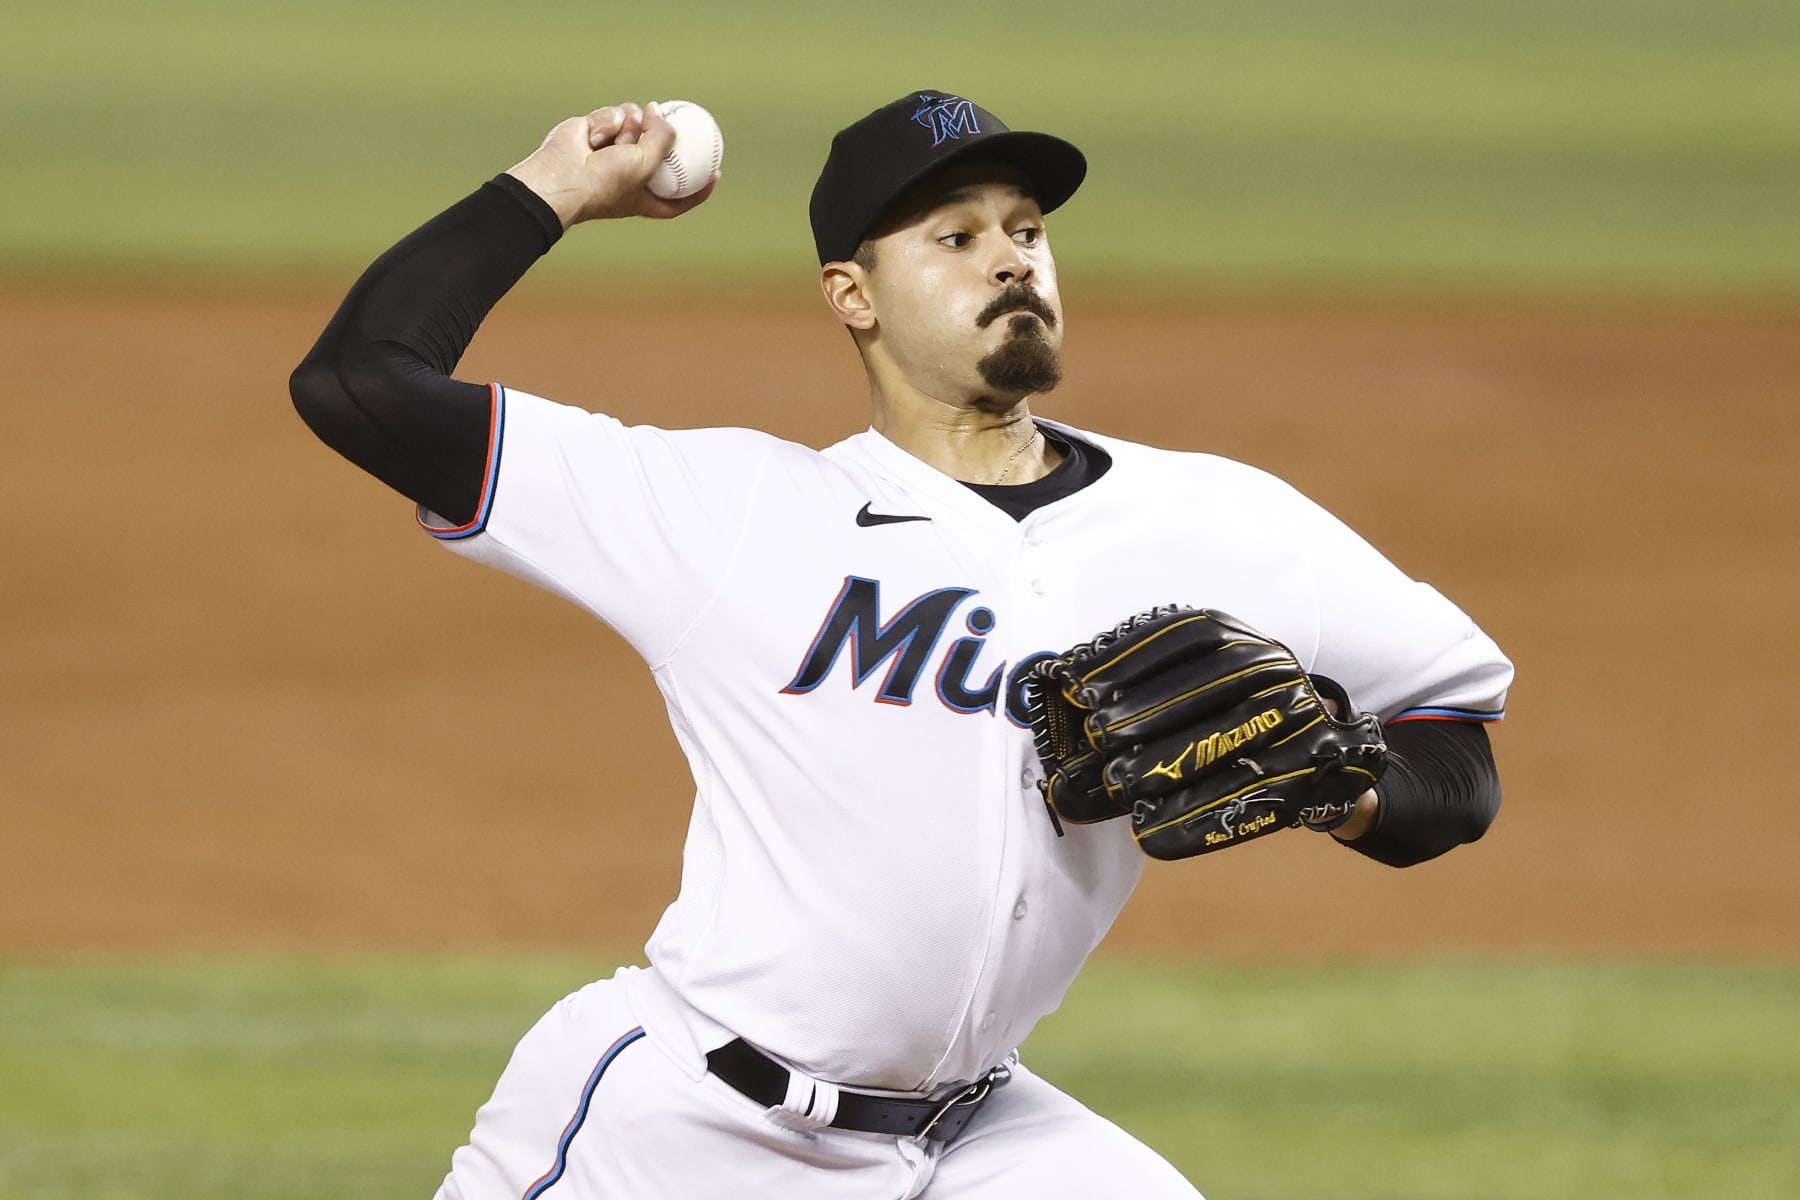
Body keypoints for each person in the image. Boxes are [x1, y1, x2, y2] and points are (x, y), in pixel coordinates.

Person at [291, 90, 1513, 1200]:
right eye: (955, 237)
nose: (1011, 259)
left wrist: (1345, 791)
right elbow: (359, 383)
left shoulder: (1217, 519)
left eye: (1025, 228)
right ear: (853, 296)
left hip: (982, 1140)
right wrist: (554, 185)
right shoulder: (731, 513)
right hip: (683, 1130)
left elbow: (1454, 751)